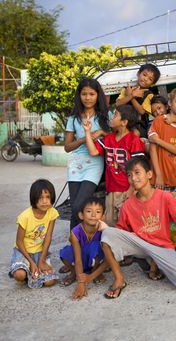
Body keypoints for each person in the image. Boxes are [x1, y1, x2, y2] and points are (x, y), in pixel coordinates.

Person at [99, 156, 176, 299]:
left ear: (149, 174)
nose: (133, 178)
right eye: (129, 175)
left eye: (137, 172)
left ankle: (153, 260)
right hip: (140, 244)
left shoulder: (165, 197)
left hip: (162, 247)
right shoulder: (127, 205)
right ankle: (119, 279)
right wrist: (105, 226)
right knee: (107, 234)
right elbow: (121, 232)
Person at [84, 104, 145, 227]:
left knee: (129, 225)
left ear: (124, 122)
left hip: (128, 190)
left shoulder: (134, 141)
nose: (112, 117)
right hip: (111, 191)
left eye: (115, 115)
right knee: (110, 225)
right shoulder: (108, 139)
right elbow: (93, 151)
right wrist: (87, 131)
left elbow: (139, 168)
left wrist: (131, 190)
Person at [64, 78, 111, 230]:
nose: (88, 98)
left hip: (95, 162)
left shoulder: (105, 116)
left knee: (79, 205)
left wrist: (102, 132)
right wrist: (86, 137)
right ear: (79, 96)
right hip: (75, 163)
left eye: (91, 94)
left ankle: (79, 243)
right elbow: (67, 147)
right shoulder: (73, 118)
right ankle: (75, 244)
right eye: (84, 94)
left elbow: (114, 135)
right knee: (75, 208)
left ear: (98, 95)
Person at [8, 179, 58, 288]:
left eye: (48, 197)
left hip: (40, 253)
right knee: (20, 275)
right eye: (40, 198)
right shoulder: (24, 216)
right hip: (23, 253)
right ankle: (27, 272)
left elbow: (48, 237)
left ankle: (33, 273)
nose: (45, 201)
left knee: (50, 282)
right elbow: (19, 242)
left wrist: (41, 260)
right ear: (33, 198)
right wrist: (31, 262)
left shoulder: (52, 213)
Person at [59, 196, 109, 300]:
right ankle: (75, 274)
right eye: (89, 211)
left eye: (98, 212)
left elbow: (109, 258)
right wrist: (81, 282)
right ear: (81, 215)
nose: (93, 215)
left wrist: (88, 278)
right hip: (81, 258)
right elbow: (77, 259)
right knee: (65, 253)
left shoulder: (104, 230)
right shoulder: (75, 232)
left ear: (103, 216)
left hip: (95, 258)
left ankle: (94, 273)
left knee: (96, 247)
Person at [148, 87, 176, 192]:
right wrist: (158, 175)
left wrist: (158, 141)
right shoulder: (159, 121)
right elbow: (152, 149)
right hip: (158, 179)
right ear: (170, 103)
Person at [115, 63, 161, 140]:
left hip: (139, 124)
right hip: (123, 121)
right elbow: (117, 104)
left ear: (152, 84)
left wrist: (132, 97)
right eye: (144, 75)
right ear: (138, 74)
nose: (146, 79)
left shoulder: (149, 95)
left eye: (150, 79)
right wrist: (131, 95)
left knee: (136, 133)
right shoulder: (128, 89)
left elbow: (141, 111)